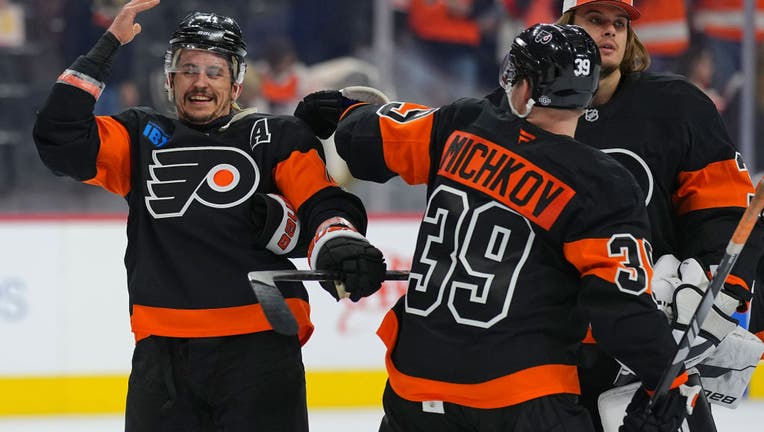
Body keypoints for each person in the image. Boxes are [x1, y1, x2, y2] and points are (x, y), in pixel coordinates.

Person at [295, 23, 699, 432]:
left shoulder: (464, 122)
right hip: (524, 399)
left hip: (416, 388)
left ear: (522, 91)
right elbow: (620, 310)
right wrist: (670, 380)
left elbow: (370, 139)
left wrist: (345, 114)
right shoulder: (602, 183)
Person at [32, 1, 387, 431]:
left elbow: (321, 201)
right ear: (170, 80)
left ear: (236, 84)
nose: (200, 83)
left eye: (215, 72)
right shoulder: (142, 135)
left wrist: (337, 239)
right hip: (163, 359)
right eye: (188, 70)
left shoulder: (275, 135)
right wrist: (108, 46)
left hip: (261, 349)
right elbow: (58, 137)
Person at [544, 1, 764, 431]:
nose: (609, 31)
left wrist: (718, 284)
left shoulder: (675, 105)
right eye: (594, 20)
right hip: (549, 348)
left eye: (619, 23)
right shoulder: (526, 110)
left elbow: (725, 209)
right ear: (564, 27)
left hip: (649, 343)